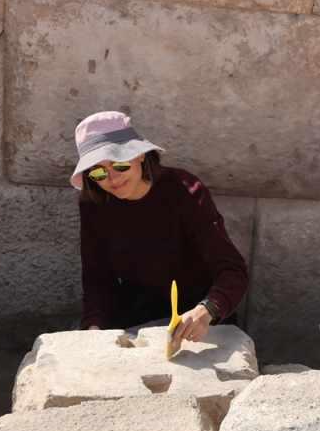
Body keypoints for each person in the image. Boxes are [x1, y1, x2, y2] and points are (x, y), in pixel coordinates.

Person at [72, 111, 248, 351]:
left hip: (198, 321)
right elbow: (97, 279)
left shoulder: (185, 191)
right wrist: (93, 329)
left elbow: (233, 270)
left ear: (140, 155)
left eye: (120, 164)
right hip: (134, 321)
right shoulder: (94, 203)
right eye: (98, 172)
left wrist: (207, 310)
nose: (111, 178)